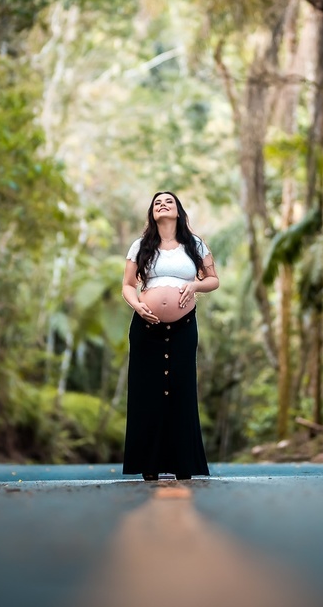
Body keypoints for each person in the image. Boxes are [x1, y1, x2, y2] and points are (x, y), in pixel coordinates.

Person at [121, 191, 219, 481]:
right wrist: (137, 305)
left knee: (181, 390)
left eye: (169, 202)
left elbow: (213, 280)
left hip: (183, 327)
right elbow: (127, 285)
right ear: (152, 213)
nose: (162, 205)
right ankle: (148, 466)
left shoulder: (195, 244)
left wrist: (195, 286)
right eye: (157, 203)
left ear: (178, 211)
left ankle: (183, 464)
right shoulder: (140, 246)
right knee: (147, 392)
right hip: (146, 329)